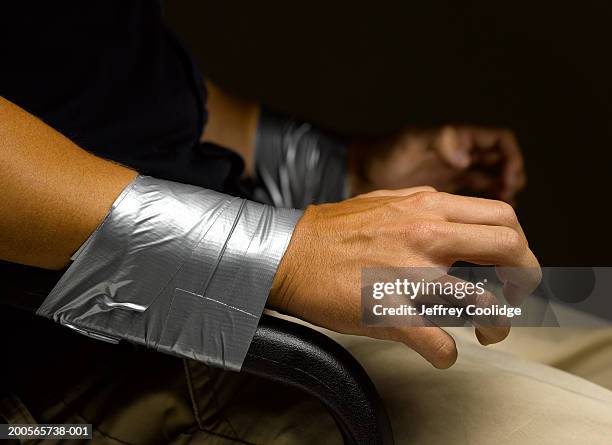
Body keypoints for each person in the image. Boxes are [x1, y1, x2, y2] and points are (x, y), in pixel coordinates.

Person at [1, 2, 611, 444]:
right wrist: (285, 253)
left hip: (236, 283)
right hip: (98, 354)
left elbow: (96, 72)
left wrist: (336, 166)